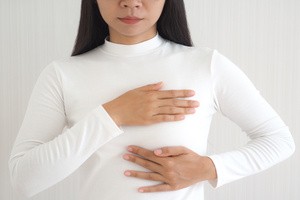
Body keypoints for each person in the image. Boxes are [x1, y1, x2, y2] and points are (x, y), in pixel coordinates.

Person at [9, 0, 295, 199]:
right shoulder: (62, 74)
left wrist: (209, 168)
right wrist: (111, 116)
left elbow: (279, 139)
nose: (131, 3)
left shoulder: (206, 65)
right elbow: (24, 181)